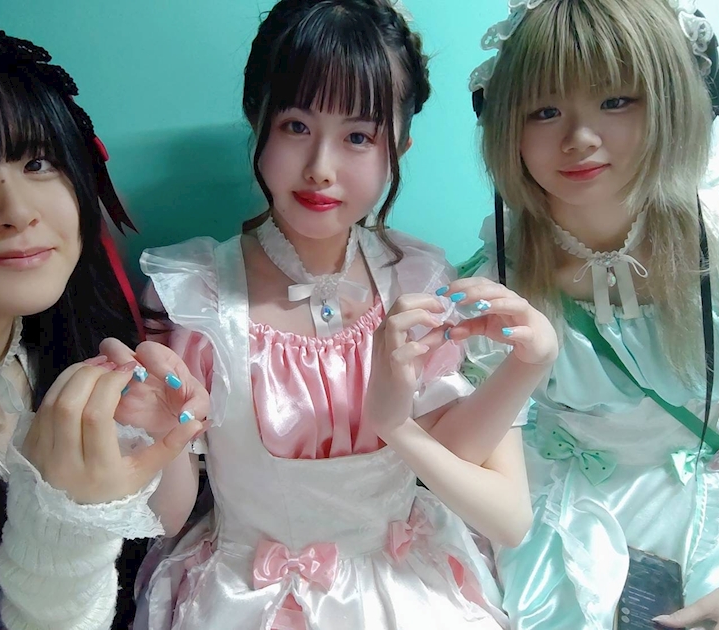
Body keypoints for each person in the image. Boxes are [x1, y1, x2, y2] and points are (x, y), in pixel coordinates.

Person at [117, 1, 558, 628]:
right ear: (259, 121)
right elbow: (167, 518)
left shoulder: (416, 279)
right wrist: (162, 435)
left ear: (399, 144)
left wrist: (523, 368)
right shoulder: (198, 294)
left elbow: (451, 451)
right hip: (245, 590)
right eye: (296, 125)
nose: (320, 169)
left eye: (358, 137)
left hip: (404, 584)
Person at [461, 1, 719, 628]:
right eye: (545, 111)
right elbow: (481, 449)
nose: (580, 138)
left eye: (616, 101)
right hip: (560, 514)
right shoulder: (500, 275)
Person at [0, 3, 204, 628]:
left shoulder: (73, 345)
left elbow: (159, 526)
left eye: (37, 162)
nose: (17, 211)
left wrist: (160, 439)